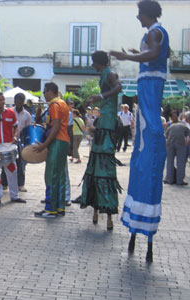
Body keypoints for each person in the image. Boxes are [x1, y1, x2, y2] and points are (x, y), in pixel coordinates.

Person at [110, 0, 169, 262]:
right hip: (149, 89)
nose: (137, 17)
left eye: (139, 13)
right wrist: (139, 53)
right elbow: (159, 55)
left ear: (147, 14)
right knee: (145, 130)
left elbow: (156, 54)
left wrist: (129, 57)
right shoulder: (155, 34)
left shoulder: (155, 32)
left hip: (150, 89)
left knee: (149, 128)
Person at [79, 50, 123, 230]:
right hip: (104, 121)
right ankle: (97, 208)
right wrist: (94, 100)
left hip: (108, 123)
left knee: (104, 166)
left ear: (99, 62)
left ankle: (106, 212)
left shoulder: (110, 74)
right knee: (96, 164)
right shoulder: (105, 75)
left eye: (94, 63)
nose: (93, 66)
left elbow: (119, 88)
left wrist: (101, 96)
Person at [33, 82, 70, 217]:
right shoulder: (63, 103)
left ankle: (50, 208)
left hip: (57, 142)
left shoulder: (54, 106)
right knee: (60, 175)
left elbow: (55, 128)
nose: (44, 95)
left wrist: (44, 145)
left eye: (44, 92)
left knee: (51, 175)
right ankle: (60, 207)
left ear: (50, 92)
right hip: (63, 141)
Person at [1, 93, 32, 192]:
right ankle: (4, 184)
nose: (19, 103)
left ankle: (21, 185)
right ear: (14, 102)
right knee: (6, 162)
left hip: (20, 142)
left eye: (21, 102)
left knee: (20, 164)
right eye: (17, 101)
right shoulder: (9, 112)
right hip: (9, 141)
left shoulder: (27, 115)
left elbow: (28, 129)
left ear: (23, 102)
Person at [163, 120, 190, 185]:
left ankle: (170, 180)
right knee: (181, 162)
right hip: (180, 143)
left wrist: (166, 144)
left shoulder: (171, 126)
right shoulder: (185, 127)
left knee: (170, 162)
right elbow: (188, 138)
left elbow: (165, 135)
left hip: (170, 143)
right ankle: (179, 181)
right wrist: (185, 144)